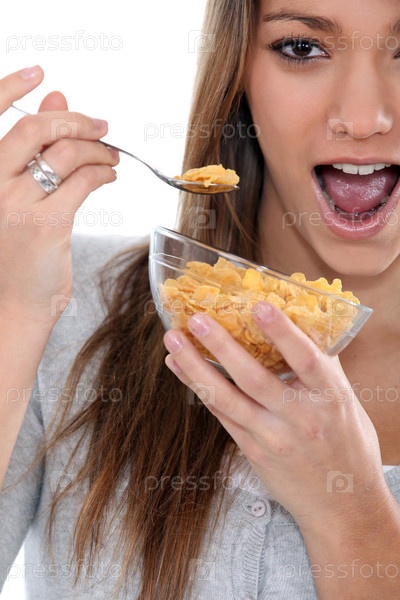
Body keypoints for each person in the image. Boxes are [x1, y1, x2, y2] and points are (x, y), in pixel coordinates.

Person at [1, 0, 400, 598]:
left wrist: (350, 512)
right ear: (238, 77)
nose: (364, 118)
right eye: (302, 48)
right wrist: (16, 312)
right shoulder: (63, 297)